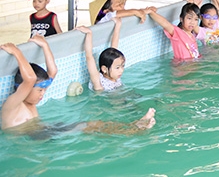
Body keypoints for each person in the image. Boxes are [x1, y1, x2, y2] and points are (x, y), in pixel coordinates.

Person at [1, 37, 155, 134]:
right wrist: (16, 52)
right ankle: (135, 129)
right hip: (32, 139)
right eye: (40, 90)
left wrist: (45, 46)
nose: (43, 94)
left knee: (93, 125)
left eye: (43, 89)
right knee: (90, 126)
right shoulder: (14, 103)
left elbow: (53, 71)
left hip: (46, 131)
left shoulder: (32, 98)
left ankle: (135, 127)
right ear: (24, 88)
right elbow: (29, 79)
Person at [77, 18, 125, 92]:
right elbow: (89, 56)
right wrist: (89, 33)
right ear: (104, 69)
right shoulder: (98, 82)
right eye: (118, 68)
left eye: (122, 66)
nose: (121, 70)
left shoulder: (114, 75)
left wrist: (118, 25)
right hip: (109, 100)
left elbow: (114, 47)